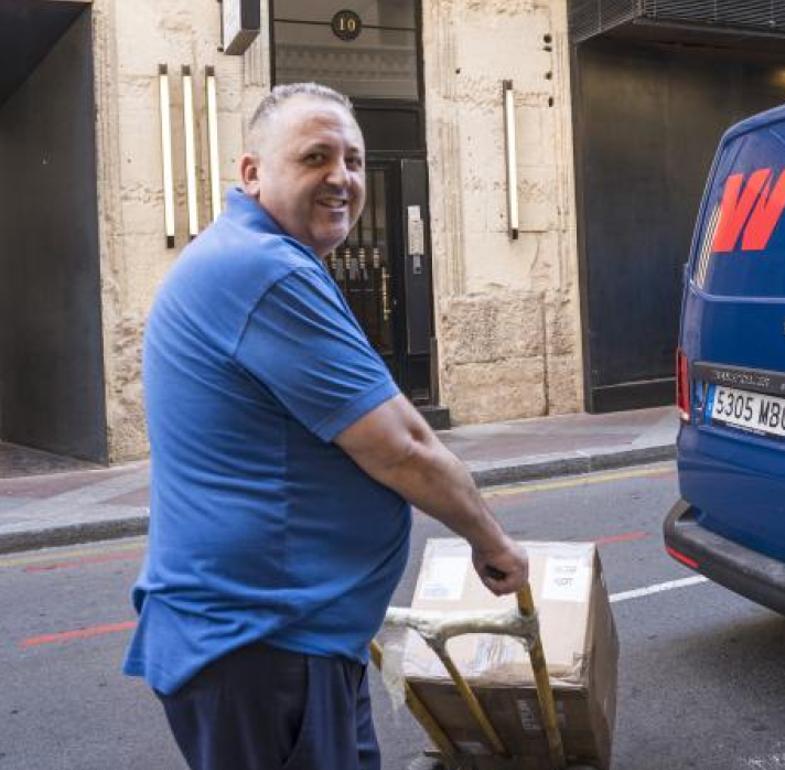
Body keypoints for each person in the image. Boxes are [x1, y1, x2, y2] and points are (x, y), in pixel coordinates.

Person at [122, 82, 528, 770]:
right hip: (263, 643)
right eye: (315, 157)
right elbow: (404, 446)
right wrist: (492, 543)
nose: (340, 177)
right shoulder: (265, 272)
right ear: (252, 173)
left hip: (277, 637)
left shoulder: (247, 258)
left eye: (353, 160)